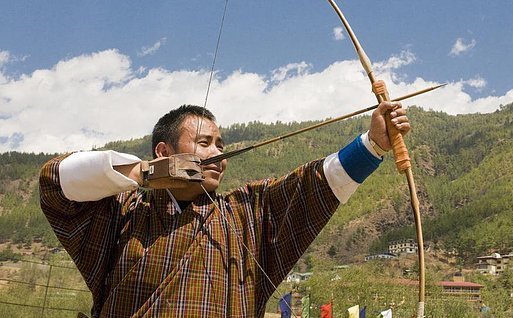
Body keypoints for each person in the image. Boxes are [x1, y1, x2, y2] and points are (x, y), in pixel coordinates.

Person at [40, 102, 410, 317]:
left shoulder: (246, 214)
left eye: (220, 144)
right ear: (164, 152)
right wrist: (145, 173)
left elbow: (314, 185)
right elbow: (55, 182)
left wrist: (373, 144)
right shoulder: (123, 212)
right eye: (204, 143)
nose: (219, 154)